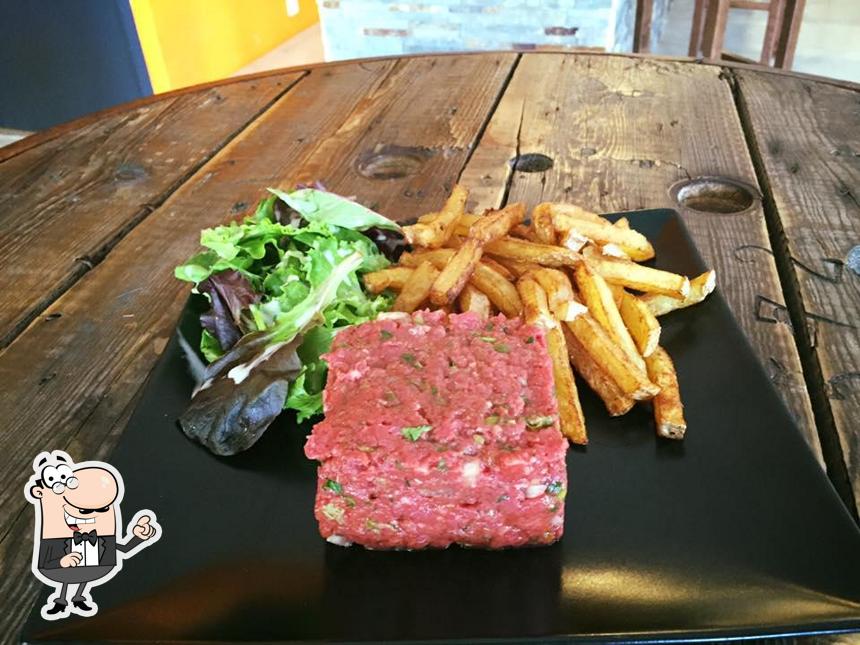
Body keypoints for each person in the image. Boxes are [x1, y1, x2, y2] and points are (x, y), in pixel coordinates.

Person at [24, 450, 161, 620]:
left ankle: (79, 597)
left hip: (95, 573)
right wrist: (62, 561)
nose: (91, 514)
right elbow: (46, 562)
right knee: (67, 579)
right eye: (83, 510)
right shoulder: (54, 537)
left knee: (84, 578)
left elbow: (124, 549)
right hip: (62, 573)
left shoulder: (102, 536)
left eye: (103, 509)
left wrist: (139, 537)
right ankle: (61, 601)